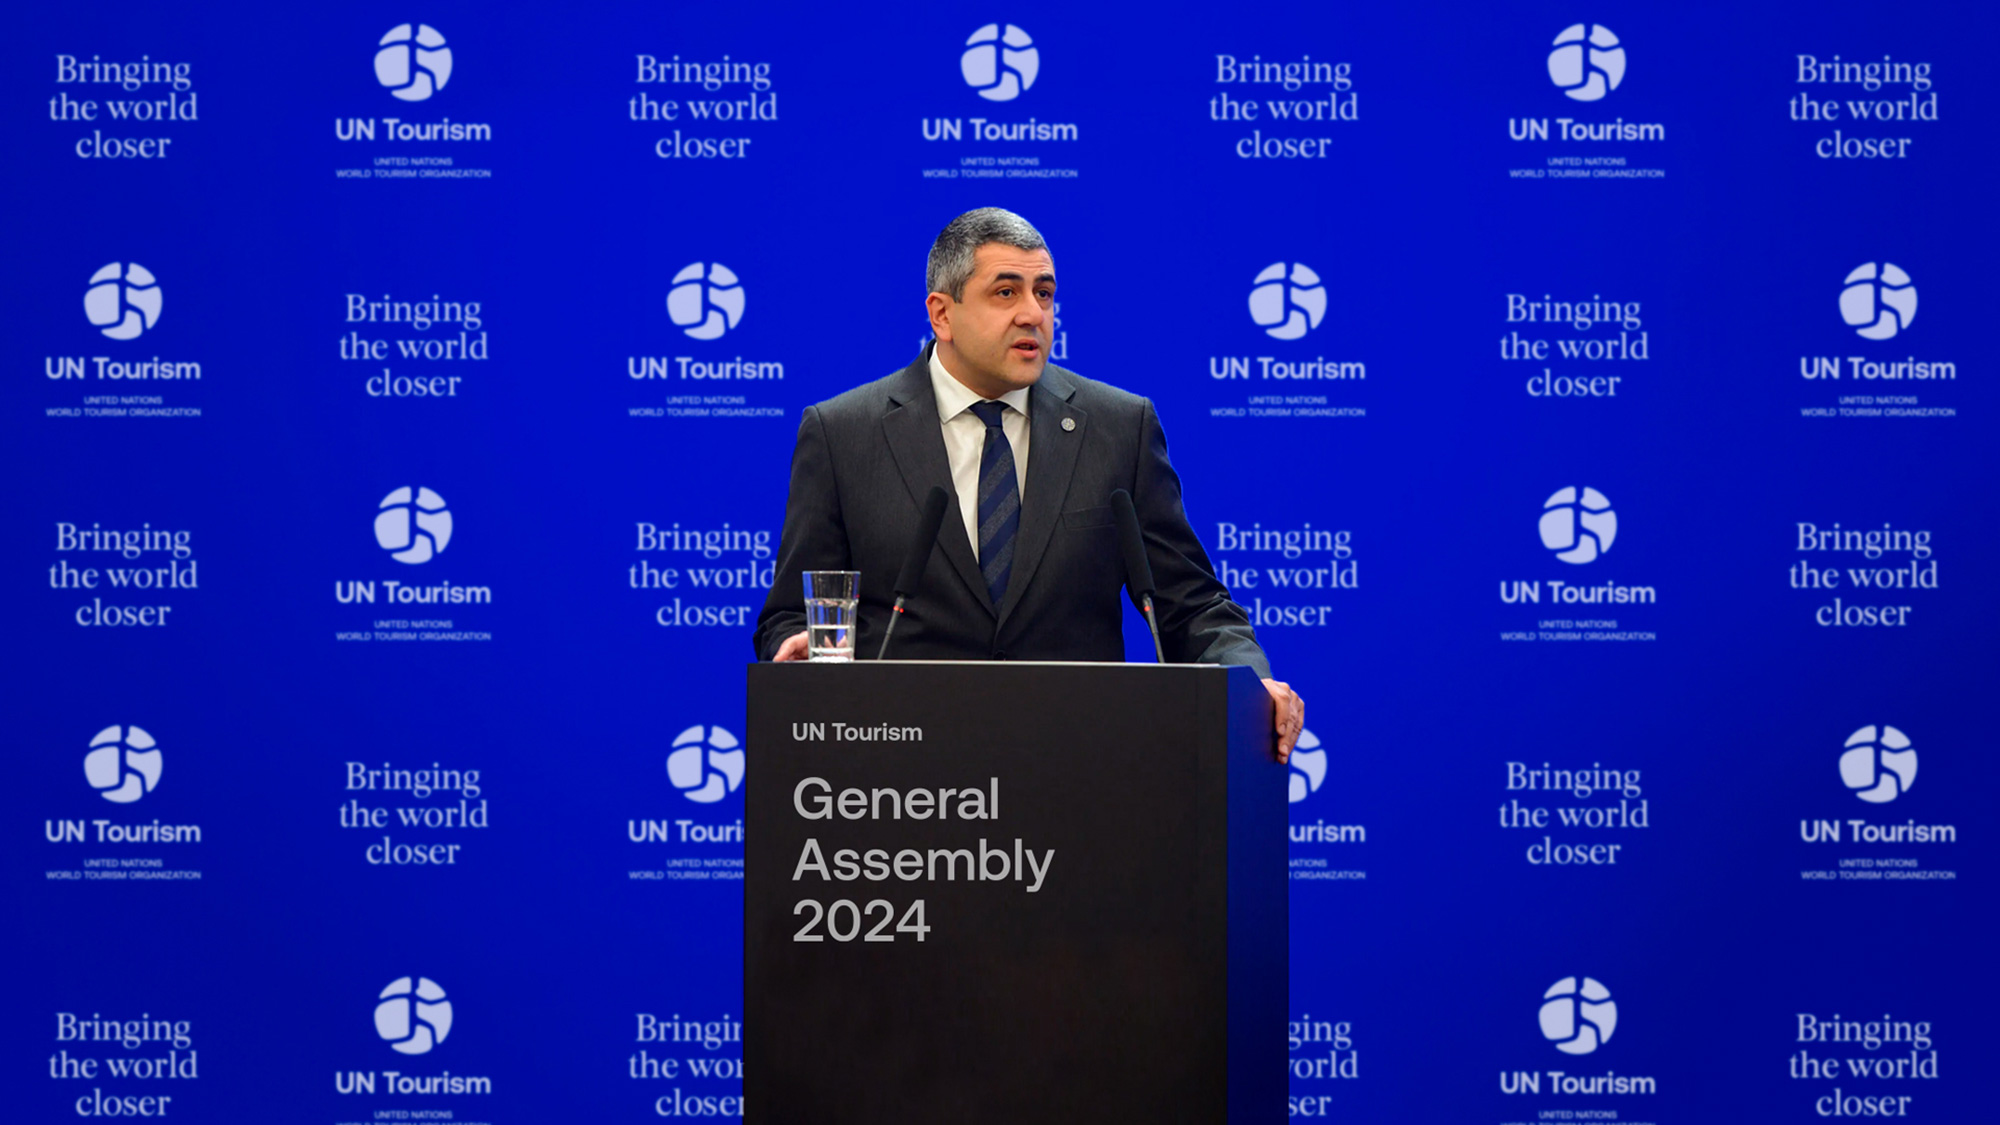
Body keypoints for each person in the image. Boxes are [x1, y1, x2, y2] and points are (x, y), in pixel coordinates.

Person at [754, 207, 1304, 761]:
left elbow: (1189, 602)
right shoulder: (844, 433)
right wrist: (796, 647)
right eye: (1005, 293)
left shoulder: (1118, 428)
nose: (1032, 314)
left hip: (1076, 763)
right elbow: (791, 612)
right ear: (942, 314)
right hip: (903, 770)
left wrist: (1249, 678)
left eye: (1044, 293)